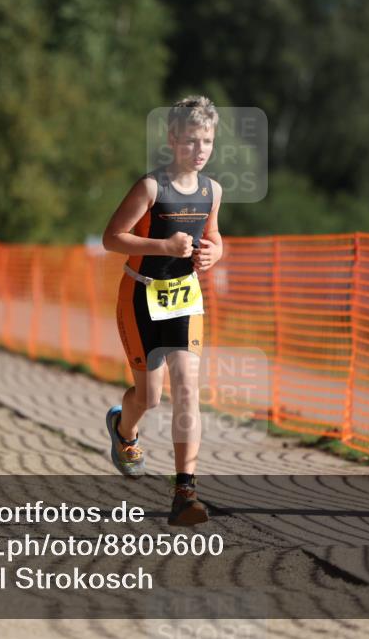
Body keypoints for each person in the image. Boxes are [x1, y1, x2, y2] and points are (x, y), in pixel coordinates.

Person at [101, 96, 224, 527]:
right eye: (191, 141)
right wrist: (163, 247)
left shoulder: (212, 191)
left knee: (188, 388)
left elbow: (214, 237)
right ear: (173, 140)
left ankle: (185, 491)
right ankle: (123, 430)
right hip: (141, 297)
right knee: (149, 397)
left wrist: (213, 255)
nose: (200, 149)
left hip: (185, 297)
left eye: (206, 140)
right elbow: (112, 238)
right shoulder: (151, 188)